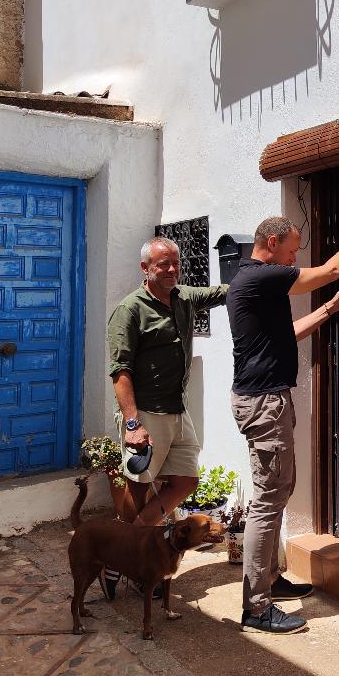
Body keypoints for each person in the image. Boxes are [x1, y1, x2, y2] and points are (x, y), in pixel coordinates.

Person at [226, 216, 339, 634]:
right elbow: (330, 271)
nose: (295, 257)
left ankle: (268, 579)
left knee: (278, 490)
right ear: (272, 242)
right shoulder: (261, 276)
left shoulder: (255, 283)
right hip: (264, 403)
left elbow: (288, 333)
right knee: (268, 501)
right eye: (292, 248)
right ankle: (256, 606)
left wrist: (329, 308)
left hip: (265, 400)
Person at [101, 235, 228, 599]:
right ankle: (125, 561)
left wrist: (265, 275)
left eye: (176, 263)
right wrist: (132, 423)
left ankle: (132, 544)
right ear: (146, 268)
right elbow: (119, 370)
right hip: (145, 414)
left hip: (176, 407)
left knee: (186, 480)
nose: (172, 270)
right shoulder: (130, 309)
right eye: (163, 265)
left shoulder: (184, 297)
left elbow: (221, 293)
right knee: (139, 487)